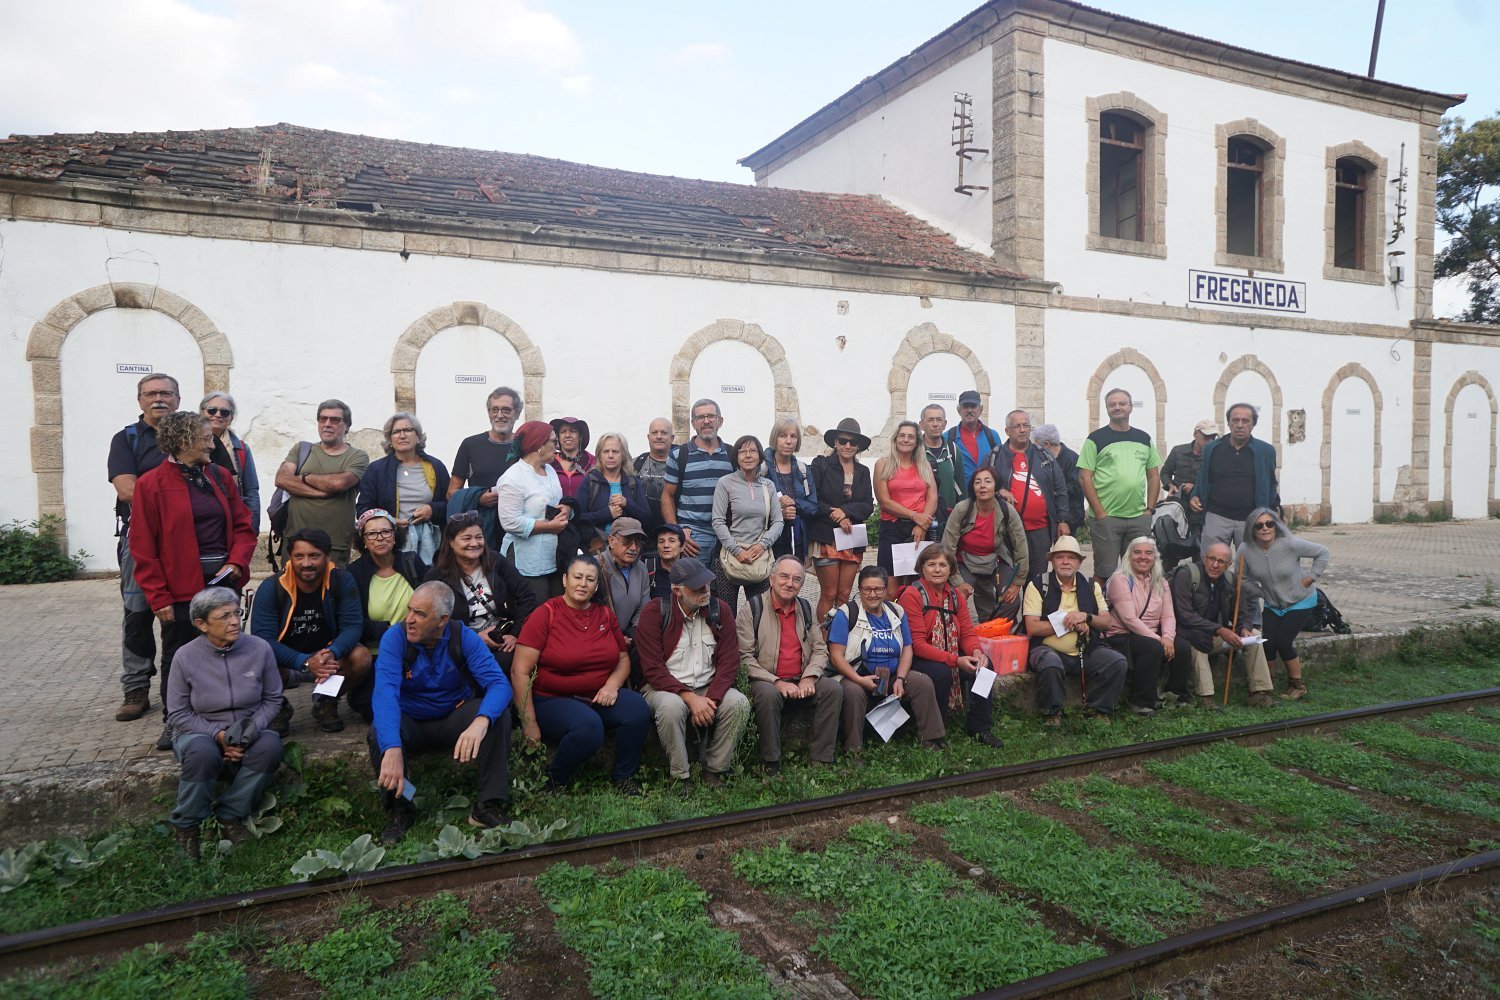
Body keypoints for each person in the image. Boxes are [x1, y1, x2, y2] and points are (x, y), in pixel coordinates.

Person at [130, 410, 258, 750]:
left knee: (229, 647)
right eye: (204, 438)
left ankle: (231, 717)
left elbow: (243, 525)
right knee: (178, 656)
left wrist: (236, 562)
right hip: (180, 588)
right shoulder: (151, 484)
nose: (211, 444)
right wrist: (158, 596)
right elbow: (143, 547)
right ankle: (174, 721)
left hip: (222, 584)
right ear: (183, 441)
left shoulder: (220, 476)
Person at [370, 581, 515, 844]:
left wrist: (481, 721)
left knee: (498, 716)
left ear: (442, 620)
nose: (409, 619)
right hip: (411, 721)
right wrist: (391, 746)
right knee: (379, 731)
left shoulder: (463, 637)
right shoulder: (394, 638)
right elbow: (385, 695)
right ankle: (402, 809)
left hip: (452, 717)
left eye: (419, 614)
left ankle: (487, 806)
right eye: (409, 610)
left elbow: (499, 684)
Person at [511, 554, 648, 794]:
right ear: (565, 580)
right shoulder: (545, 614)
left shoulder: (605, 614)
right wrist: (529, 723)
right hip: (552, 699)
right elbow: (519, 671)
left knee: (637, 709)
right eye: (577, 577)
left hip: (597, 695)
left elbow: (622, 658)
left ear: (596, 586)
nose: (583, 584)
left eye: (590, 579)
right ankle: (555, 781)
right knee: (589, 727)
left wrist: (612, 685)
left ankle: (624, 776)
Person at [165, 587, 284, 860]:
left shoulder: (259, 648)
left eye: (237, 613)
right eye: (224, 616)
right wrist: (217, 734)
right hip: (198, 731)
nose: (234, 622)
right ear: (202, 624)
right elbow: (178, 712)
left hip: (248, 728)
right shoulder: (185, 657)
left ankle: (230, 814)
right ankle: (187, 824)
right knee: (202, 753)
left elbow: (272, 699)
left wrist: (249, 731)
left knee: (270, 746)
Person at [637, 558, 750, 793]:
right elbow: (653, 669)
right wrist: (690, 698)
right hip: (663, 688)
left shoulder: (720, 609)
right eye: (697, 587)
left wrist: (712, 700)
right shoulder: (654, 612)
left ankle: (715, 769)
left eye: (707, 584)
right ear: (677, 590)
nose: (705, 591)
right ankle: (680, 776)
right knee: (671, 707)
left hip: (708, 686)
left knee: (739, 703)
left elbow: (729, 661)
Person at [249, 527, 370, 734]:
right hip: (286, 661)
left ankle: (326, 701)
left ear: (328, 556)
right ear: (290, 557)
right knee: (254, 662)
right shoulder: (272, 587)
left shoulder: (341, 580)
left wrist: (333, 652)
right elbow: (263, 639)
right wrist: (304, 662)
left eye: (314, 556)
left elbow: (352, 626)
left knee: (362, 657)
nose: (306, 563)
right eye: (299, 556)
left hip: (327, 659)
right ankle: (277, 706)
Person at [110, 373, 178, 724]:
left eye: (165, 393)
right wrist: (178, 502)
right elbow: (126, 489)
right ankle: (135, 687)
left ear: (178, 399)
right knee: (137, 615)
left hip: (185, 543)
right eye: (150, 394)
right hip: (140, 539)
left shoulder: (192, 436)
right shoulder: (127, 439)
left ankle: (179, 685)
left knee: (181, 614)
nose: (158, 399)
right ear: (140, 400)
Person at [736, 556, 840, 774]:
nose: (789, 583)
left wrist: (809, 677)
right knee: (767, 695)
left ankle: (821, 759)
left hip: (800, 678)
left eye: (796, 579)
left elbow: (820, 649)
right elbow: (744, 657)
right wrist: (777, 682)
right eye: (784, 576)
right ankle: (771, 761)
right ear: (772, 579)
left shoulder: (805, 607)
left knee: (833, 689)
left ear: (802, 584)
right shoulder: (752, 608)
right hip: (765, 679)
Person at [828, 566, 945, 753]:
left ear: (885, 590)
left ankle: (931, 740)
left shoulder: (896, 611)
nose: (872, 594)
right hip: (855, 674)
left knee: (922, 682)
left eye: (878, 589)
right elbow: (836, 656)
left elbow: (907, 648)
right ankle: (853, 749)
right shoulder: (847, 613)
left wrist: (900, 678)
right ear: (860, 589)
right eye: (867, 589)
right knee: (853, 693)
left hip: (890, 675)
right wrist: (859, 680)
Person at [897, 544, 1003, 748]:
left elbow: (968, 632)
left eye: (943, 565)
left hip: (951, 652)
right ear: (922, 568)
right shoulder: (912, 595)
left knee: (985, 666)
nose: (937, 570)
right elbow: (917, 644)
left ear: (951, 569)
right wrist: (955, 660)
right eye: (931, 564)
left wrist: (976, 652)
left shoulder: (955, 596)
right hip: (918, 658)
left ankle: (980, 727)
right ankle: (935, 730)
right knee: (941, 672)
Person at [1022, 535, 1127, 726]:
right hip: (1048, 649)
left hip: (1086, 649)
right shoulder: (1037, 585)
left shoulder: (1091, 585)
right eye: (1059, 557)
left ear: (1079, 562)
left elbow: (1107, 622)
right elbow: (1032, 627)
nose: (1065, 561)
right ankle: (1052, 713)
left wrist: (1086, 617)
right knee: (1050, 664)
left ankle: (1098, 709)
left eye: (1071, 557)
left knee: (1117, 662)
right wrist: (1068, 622)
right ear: (1052, 561)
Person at [425, 511, 537, 673]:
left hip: (501, 635)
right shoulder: (438, 575)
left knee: (509, 660)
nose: (474, 543)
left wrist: (515, 634)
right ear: (450, 542)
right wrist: (472, 637)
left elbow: (526, 597)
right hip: (460, 641)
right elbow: (431, 617)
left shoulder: (496, 562)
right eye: (466, 538)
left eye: (479, 537)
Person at [1239, 508, 1329, 701]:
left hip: (1301, 600)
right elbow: (1241, 578)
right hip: (1273, 604)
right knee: (1267, 643)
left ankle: (1297, 685)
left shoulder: (1290, 543)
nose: (1265, 528)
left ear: (1276, 525)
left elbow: (1322, 552)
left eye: (1269, 524)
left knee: (1283, 642)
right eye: (1259, 525)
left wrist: (1310, 578)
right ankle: (1267, 683)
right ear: (1251, 529)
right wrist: (1261, 592)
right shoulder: (1245, 549)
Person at [1170, 542, 1274, 709]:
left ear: (1228, 565)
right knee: (1197, 645)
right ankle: (1205, 697)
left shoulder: (1231, 580)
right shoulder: (1186, 575)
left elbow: (1243, 612)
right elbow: (1184, 614)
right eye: (1212, 559)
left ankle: (1259, 692)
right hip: (1190, 633)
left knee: (1254, 636)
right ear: (1204, 558)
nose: (1215, 565)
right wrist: (1219, 629)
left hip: (1218, 634)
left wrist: (1244, 628)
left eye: (1221, 561)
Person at [1078, 388, 1161, 585]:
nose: (1117, 407)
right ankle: (1101, 603)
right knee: (1104, 572)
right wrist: (1100, 513)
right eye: (1112, 404)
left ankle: (1133, 604)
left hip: (1138, 517)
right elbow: (1084, 477)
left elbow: (1153, 476)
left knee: (1138, 571)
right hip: (1107, 518)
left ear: (1130, 407)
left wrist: (1149, 509)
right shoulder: (1095, 439)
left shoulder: (1144, 438)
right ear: (1106, 408)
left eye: (1122, 403)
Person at [275, 399, 369, 567]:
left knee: (332, 584)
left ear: (347, 426)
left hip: (335, 544)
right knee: (290, 584)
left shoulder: (358, 456)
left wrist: (304, 477)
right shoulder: (302, 449)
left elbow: (338, 483)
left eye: (335, 420)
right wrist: (319, 492)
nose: (327, 424)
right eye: (322, 419)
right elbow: (282, 479)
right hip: (295, 541)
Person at [985, 409, 1072, 578]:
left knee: (1036, 581)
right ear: (1007, 431)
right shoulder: (995, 456)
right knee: (1009, 581)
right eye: (1017, 426)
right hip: (1007, 531)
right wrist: (998, 490)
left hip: (1040, 530)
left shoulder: (1044, 455)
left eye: (1026, 425)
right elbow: (980, 485)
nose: (1022, 430)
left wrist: (1062, 520)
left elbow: (1060, 489)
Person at [496, 420, 573, 606]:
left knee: (556, 610)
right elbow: (510, 522)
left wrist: (566, 509)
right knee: (534, 611)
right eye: (553, 441)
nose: (557, 446)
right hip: (526, 560)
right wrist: (549, 526)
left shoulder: (550, 471)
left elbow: (554, 502)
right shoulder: (512, 478)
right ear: (538, 445)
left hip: (553, 556)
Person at [357, 412, 450, 564]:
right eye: (396, 432)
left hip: (432, 543)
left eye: (408, 430)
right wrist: (388, 521)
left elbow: (451, 503)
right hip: (389, 543)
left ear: (418, 436)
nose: (402, 435)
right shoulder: (376, 470)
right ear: (390, 439)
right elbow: (363, 509)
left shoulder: (435, 466)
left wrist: (433, 509)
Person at [808, 418, 875, 621]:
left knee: (844, 594)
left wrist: (846, 512)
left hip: (852, 538)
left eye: (853, 442)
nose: (848, 445)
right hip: (827, 536)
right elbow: (813, 500)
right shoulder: (821, 465)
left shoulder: (863, 471)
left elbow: (867, 505)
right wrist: (835, 514)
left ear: (858, 446)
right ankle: (823, 636)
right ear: (835, 443)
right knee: (829, 594)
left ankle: (840, 635)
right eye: (843, 441)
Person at [941, 467, 1028, 623]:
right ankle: (960, 632)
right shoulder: (962, 509)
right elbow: (947, 548)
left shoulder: (1007, 510)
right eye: (977, 482)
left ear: (996, 487)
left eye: (988, 481)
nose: (982, 486)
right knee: (954, 599)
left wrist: (1017, 583)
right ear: (973, 488)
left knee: (1011, 600)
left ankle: (994, 627)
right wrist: (958, 582)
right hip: (964, 561)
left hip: (995, 559)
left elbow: (1021, 547)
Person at [347, 510, 427, 676]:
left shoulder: (411, 562)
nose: (380, 538)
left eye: (386, 531)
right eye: (372, 534)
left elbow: (431, 602)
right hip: (376, 653)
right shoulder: (354, 573)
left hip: (416, 649)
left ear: (394, 535)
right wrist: (389, 630)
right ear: (363, 540)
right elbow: (351, 621)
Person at [1103, 536, 1176, 717]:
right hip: (1120, 635)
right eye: (1137, 552)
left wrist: (1168, 637)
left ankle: (1176, 694)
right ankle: (1139, 701)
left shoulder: (1161, 582)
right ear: (1129, 556)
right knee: (1152, 647)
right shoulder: (1119, 580)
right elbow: (1129, 619)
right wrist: (1160, 640)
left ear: (1154, 558)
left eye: (1148, 553)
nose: (1143, 557)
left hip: (1149, 634)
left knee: (1181, 645)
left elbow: (1168, 615)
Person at [1193, 404, 1280, 554]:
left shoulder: (1265, 451)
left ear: (1253, 424)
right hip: (1217, 516)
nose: (1240, 425)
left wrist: (1271, 512)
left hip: (1251, 518)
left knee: (1252, 564)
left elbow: (1271, 483)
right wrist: (1195, 495)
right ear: (1228, 423)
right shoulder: (1212, 448)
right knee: (1212, 561)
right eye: (1235, 420)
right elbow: (1203, 476)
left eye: (1245, 421)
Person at [711, 435, 784, 612]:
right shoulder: (725, 483)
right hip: (729, 557)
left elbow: (778, 521)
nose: (748, 455)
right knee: (726, 613)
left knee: (760, 612)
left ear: (760, 455)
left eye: (752, 451)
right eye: (742, 451)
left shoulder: (768, 486)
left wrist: (762, 545)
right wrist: (737, 551)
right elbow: (718, 521)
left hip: (759, 557)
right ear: (736, 457)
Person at [662, 398, 734, 566]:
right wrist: (677, 532)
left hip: (727, 537)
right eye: (700, 417)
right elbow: (667, 496)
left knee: (722, 585)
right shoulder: (679, 455)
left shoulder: (733, 455)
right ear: (693, 423)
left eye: (711, 416)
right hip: (692, 538)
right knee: (692, 583)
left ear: (720, 421)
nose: (706, 421)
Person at [873, 420, 937, 583]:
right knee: (891, 584)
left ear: (917, 442)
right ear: (895, 439)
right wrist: (915, 516)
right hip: (892, 529)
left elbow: (932, 497)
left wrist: (922, 524)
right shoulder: (883, 464)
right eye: (902, 435)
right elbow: (884, 501)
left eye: (911, 437)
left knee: (917, 582)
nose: (906, 440)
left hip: (919, 529)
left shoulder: (924, 465)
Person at [447, 386, 523, 510]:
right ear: (489, 413)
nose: (499, 415)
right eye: (494, 410)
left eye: (506, 410)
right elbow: (451, 493)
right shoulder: (471, 445)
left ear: (517, 413)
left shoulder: (525, 446)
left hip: (518, 518)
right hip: (481, 519)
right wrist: (477, 498)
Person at [201, 391, 261, 534]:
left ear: (231, 417)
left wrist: (252, 527)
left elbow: (251, 490)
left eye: (224, 412)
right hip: (202, 518)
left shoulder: (241, 449)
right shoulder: (187, 445)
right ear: (202, 413)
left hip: (233, 517)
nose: (218, 415)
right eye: (212, 410)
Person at [577, 431, 650, 545]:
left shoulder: (632, 483)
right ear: (599, 456)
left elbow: (647, 519)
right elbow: (578, 519)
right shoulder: (590, 481)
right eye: (606, 451)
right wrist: (607, 514)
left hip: (628, 547)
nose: (610, 455)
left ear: (623, 455)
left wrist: (627, 504)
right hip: (596, 548)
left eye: (615, 451)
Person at [765, 418, 819, 562]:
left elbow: (813, 507)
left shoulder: (803, 470)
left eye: (793, 436)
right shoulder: (762, 469)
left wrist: (794, 503)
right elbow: (753, 506)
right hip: (769, 542)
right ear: (775, 438)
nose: (788, 441)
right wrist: (779, 512)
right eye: (783, 436)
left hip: (797, 540)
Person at [598, 517, 652, 640]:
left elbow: (644, 608)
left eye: (638, 543)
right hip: (600, 637)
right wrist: (615, 637)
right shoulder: (595, 566)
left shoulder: (641, 568)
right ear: (611, 541)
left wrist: (631, 635)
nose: (633, 548)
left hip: (631, 636)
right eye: (627, 541)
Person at [920, 403, 965, 534]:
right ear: (922, 425)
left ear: (945, 424)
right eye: (930, 420)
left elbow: (961, 487)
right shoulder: (914, 451)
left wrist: (964, 515)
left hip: (949, 518)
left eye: (939, 420)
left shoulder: (953, 450)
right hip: (921, 517)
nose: (935, 424)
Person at [633, 416, 676, 554]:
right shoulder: (635, 464)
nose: (659, 436)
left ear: (672, 438)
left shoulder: (681, 463)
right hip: (641, 536)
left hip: (672, 534)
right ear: (648, 437)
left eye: (664, 433)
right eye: (654, 432)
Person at [1032, 424, 1084, 534]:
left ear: (1047, 444)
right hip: (1048, 515)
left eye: (1037, 446)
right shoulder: (1042, 459)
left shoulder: (1072, 459)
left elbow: (1076, 487)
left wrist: (1053, 490)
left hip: (1070, 516)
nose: (1035, 449)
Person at [943, 390, 1001, 486]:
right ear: (958, 410)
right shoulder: (947, 437)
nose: (969, 410)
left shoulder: (992, 436)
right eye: (965, 406)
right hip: (959, 493)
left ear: (981, 409)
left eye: (973, 406)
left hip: (986, 492)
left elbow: (999, 467)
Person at [1162, 419, 1218, 506]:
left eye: (1213, 438)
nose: (1210, 441)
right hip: (1177, 502)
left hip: (1201, 504)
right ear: (1195, 434)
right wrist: (1170, 485)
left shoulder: (1216, 457)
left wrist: (1195, 488)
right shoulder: (1177, 451)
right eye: (1206, 436)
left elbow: (1218, 483)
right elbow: (1165, 472)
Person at [549, 416, 595, 500]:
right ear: (558, 437)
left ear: (580, 436)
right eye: (563, 432)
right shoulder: (549, 463)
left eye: (573, 431)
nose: (567, 435)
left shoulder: (592, 462)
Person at [651, 523, 686, 598]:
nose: (666, 545)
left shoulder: (691, 571)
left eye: (672, 541)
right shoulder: (648, 568)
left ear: (682, 547)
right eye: (661, 541)